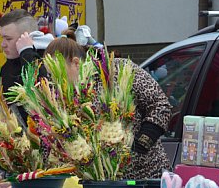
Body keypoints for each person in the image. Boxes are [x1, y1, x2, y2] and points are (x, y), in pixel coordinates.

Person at [45, 38, 172, 179]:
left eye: (57, 73)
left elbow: (160, 105)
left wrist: (141, 143)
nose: (54, 81)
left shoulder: (118, 69)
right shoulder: (64, 96)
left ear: (76, 63)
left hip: (145, 175)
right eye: (51, 75)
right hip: (100, 181)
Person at [0, 9, 53, 92]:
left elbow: (44, 89)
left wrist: (26, 52)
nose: (3, 44)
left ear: (26, 37)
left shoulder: (50, 59)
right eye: (3, 38)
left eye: (8, 39)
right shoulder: (7, 67)